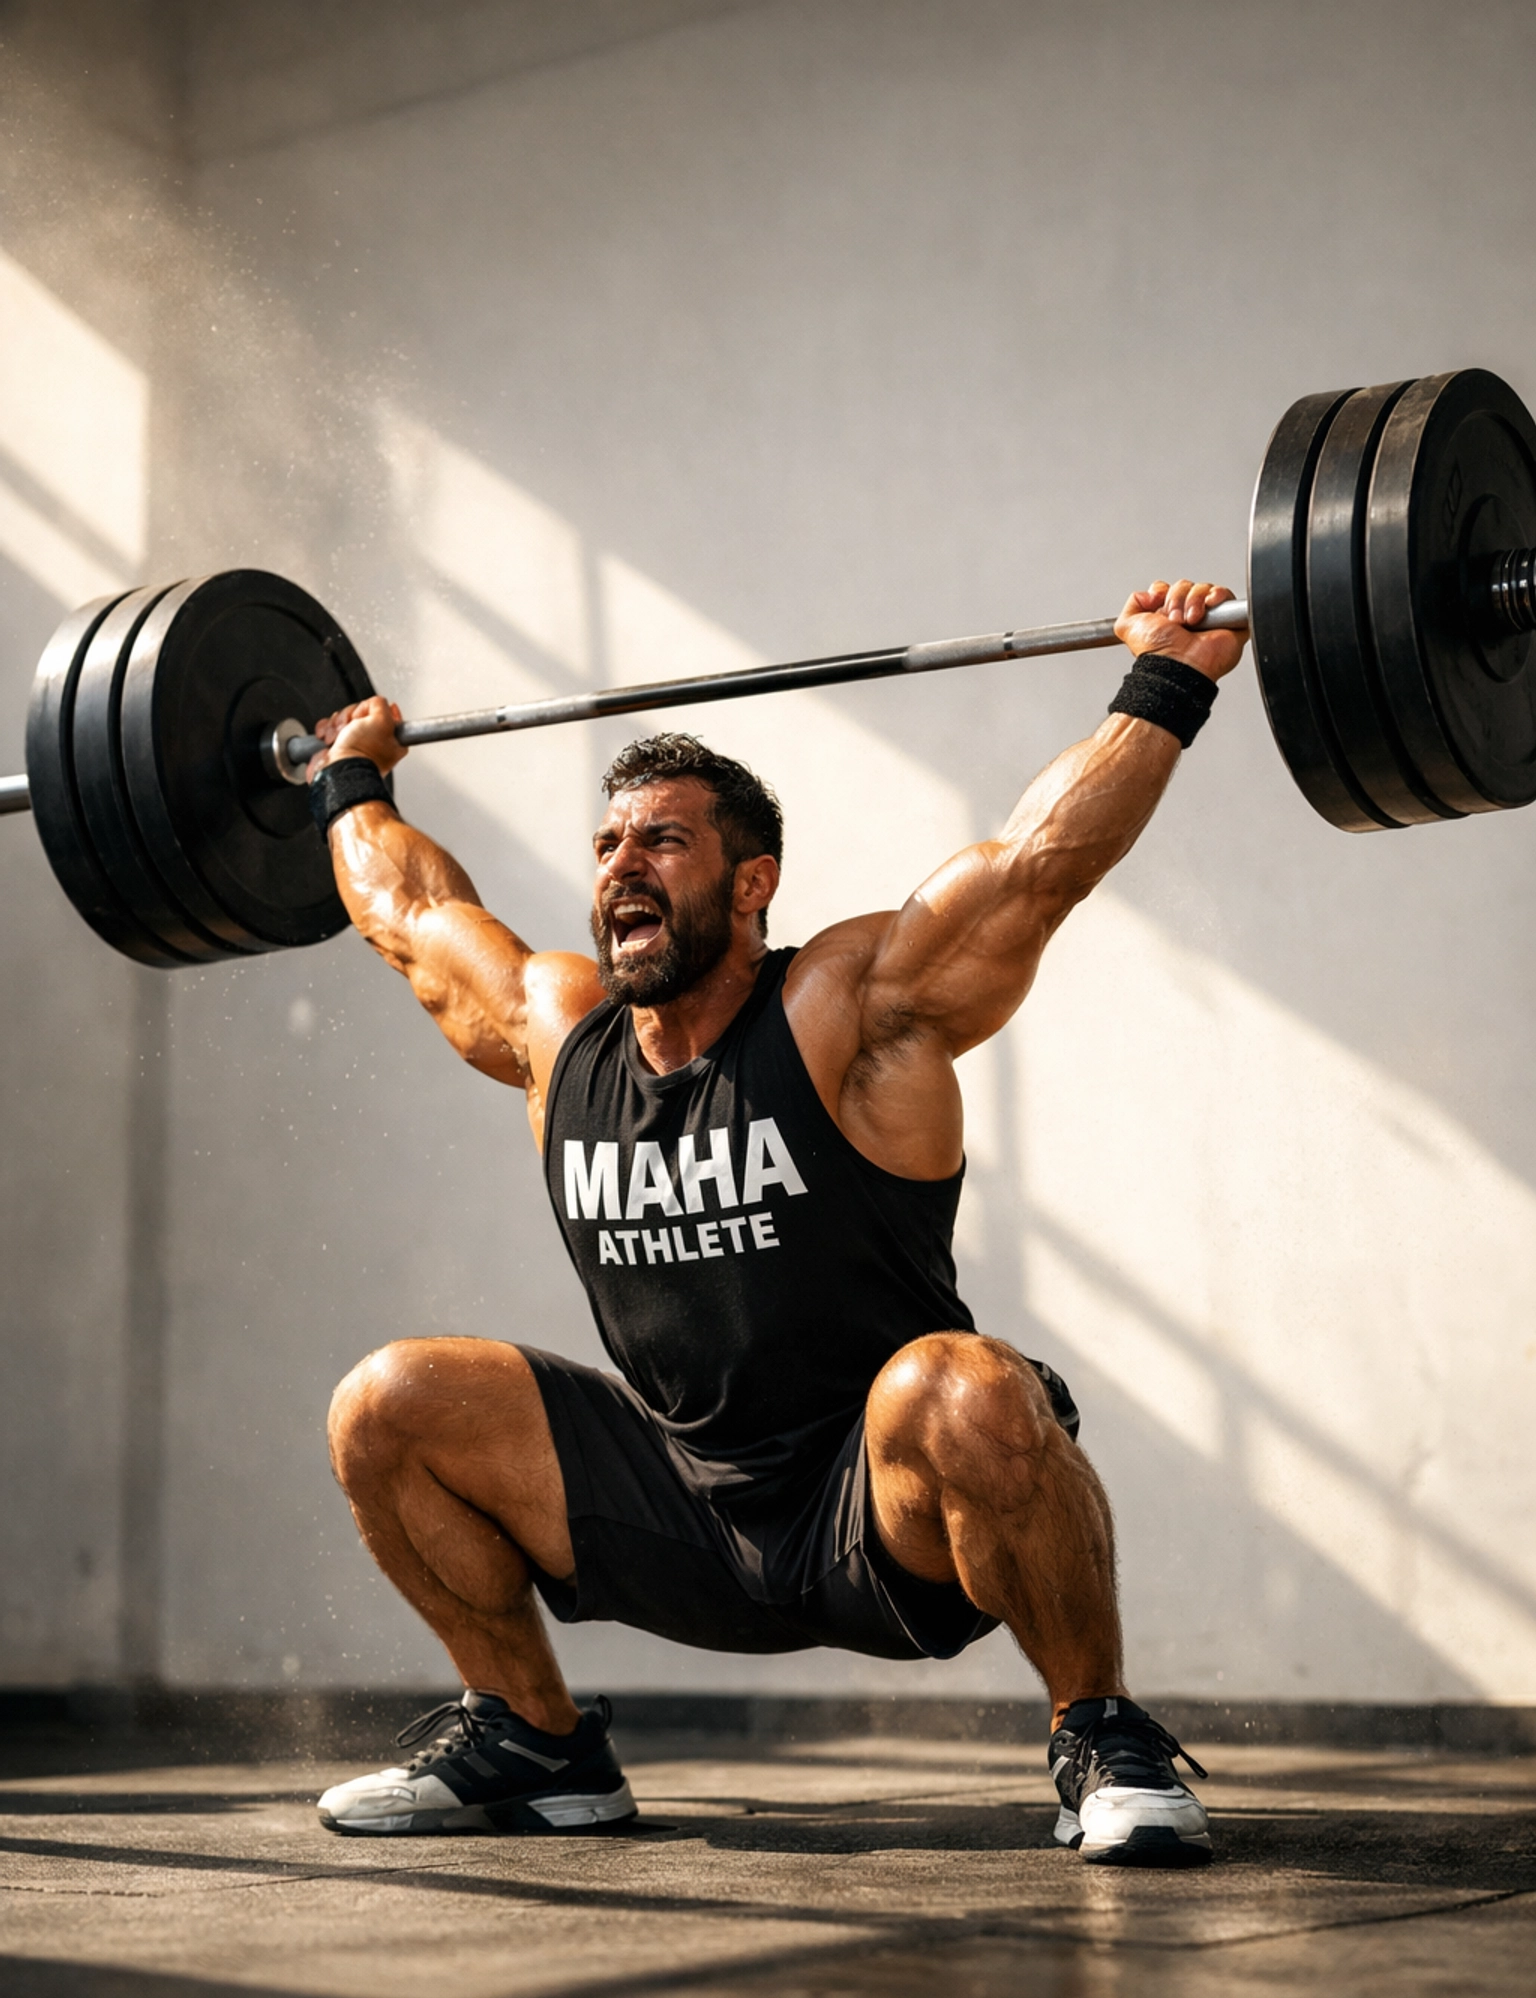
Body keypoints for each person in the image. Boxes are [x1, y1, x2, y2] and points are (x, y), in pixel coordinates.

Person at [307, 579, 1242, 1865]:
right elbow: (409, 921)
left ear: (753, 883)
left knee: (964, 1387)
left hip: (881, 1510)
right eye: (607, 847)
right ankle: (535, 1740)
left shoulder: (847, 1011)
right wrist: (347, 781)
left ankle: (1100, 1734)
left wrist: (1170, 679)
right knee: (386, 1404)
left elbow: (1035, 871)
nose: (621, 868)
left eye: (663, 845)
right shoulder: (559, 1033)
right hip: (679, 1505)